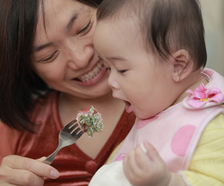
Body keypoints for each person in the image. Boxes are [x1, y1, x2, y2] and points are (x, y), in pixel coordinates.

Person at [0, 0, 136, 185]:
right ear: (26, 68)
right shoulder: (18, 129)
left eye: (83, 28)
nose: (81, 59)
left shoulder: (170, 95)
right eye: (48, 56)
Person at [90, 0, 224, 185]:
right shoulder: (159, 106)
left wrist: (167, 182)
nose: (111, 81)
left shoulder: (210, 128)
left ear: (178, 66)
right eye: (107, 68)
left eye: (121, 70)